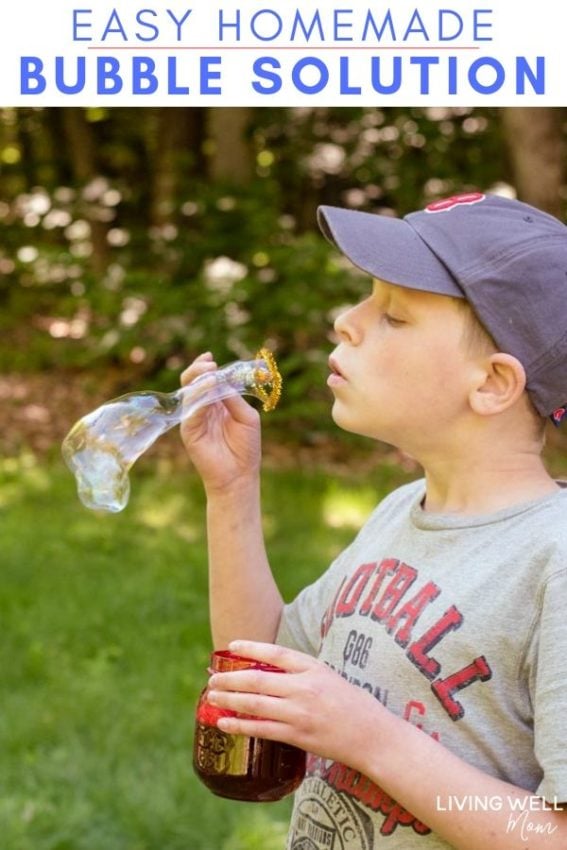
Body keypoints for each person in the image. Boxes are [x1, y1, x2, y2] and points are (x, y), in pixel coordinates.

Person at [180, 192, 567, 850]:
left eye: (392, 315)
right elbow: (263, 665)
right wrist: (231, 490)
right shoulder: (400, 512)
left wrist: (369, 738)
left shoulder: (550, 560)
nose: (346, 322)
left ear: (493, 383)